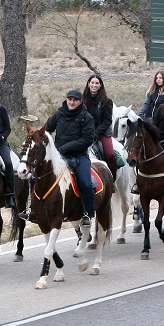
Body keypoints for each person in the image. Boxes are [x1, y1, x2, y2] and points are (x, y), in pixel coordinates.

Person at [45, 89, 97, 228]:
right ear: (66, 99)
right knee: (37, 176)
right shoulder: (59, 113)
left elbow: (87, 139)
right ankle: (34, 209)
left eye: (75, 100)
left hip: (79, 156)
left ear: (80, 101)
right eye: (69, 99)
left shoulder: (86, 117)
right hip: (58, 156)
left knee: (86, 183)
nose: (72, 102)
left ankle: (88, 213)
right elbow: (47, 128)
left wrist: (64, 148)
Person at [82, 74, 118, 182]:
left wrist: (96, 132)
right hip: (86, 133)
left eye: (96, 83)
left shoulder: (106, 101)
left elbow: (107, 121)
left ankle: (112, 180)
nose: (94, 85)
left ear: (100, 85)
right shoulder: (82, 100)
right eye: (92, 83)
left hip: (102, 133)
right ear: (88, 84)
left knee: (110, 154)